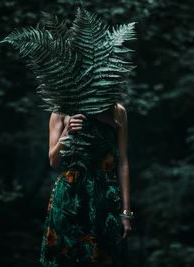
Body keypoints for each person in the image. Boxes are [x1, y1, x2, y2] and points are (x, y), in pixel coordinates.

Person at [40, 102, 133, 267]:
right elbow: (53, 162)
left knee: (105, 256)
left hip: (105, 195)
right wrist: (67, 132)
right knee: (67, 257)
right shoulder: (61, 111)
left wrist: (126, 213)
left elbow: (123, 163)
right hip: (70, 197)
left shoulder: (117, 111)